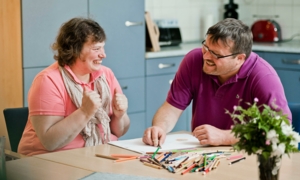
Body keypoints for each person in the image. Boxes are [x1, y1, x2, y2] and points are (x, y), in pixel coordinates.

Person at [142, 18, 291, 147]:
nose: (206, 56)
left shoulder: (264, 77)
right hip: (202, 152)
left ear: (239, 58)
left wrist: (225, 137)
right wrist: (159, 128)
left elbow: (281, 129)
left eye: (216, 54)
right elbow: (172, 107)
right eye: (206, 47)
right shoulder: (194, 60)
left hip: (245, 154)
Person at [18, 17, 130, 156]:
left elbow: (120, 131)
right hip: (52, 160)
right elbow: (50, 142)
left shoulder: (106, 74)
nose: (103, 55)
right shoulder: (47, 80)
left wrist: (120, 115)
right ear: (75, 50)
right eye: (96, 49)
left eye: (102, 47)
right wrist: (84, 112)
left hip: (100, 153)